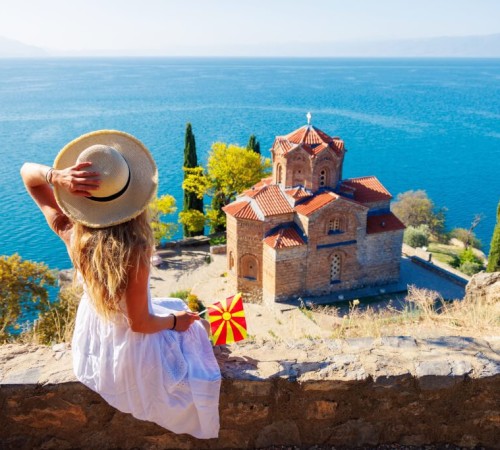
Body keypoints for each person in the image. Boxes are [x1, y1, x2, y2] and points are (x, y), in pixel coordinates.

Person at [20, 130, 221, 439]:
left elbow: (28, 175)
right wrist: (175, 323)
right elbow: (140, 323)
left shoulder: (72, 233)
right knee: (193, 326)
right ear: (133, 200)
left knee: (179, 308)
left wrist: (55, 176)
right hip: (131, 352)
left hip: (94, 344)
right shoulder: (135, 251)